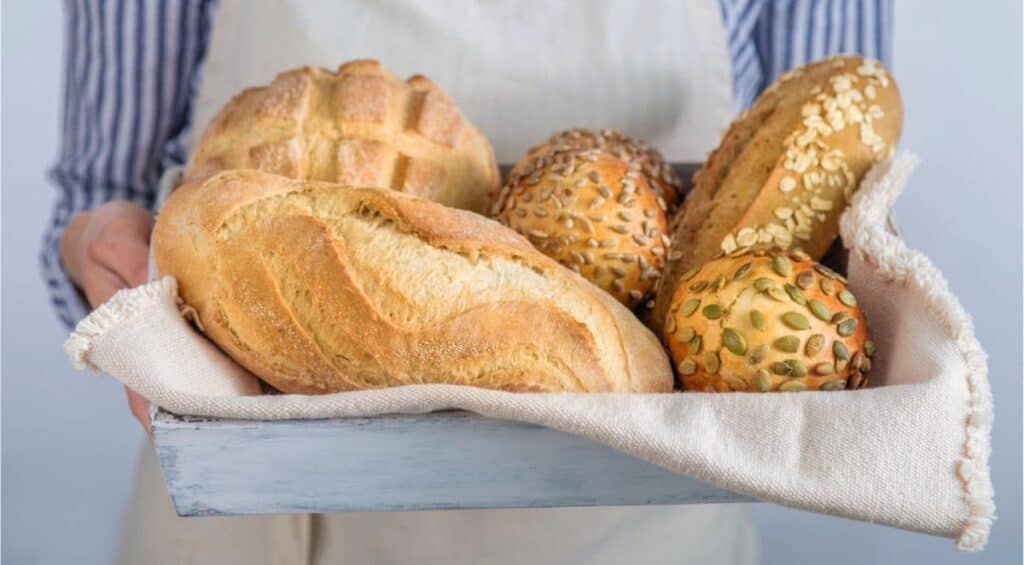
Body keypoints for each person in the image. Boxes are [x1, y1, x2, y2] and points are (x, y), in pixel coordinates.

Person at [46, 1, 891, 563]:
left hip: (642, 523)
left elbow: (838, 196)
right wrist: (108, 268)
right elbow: (93, 200)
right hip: (258, 526)